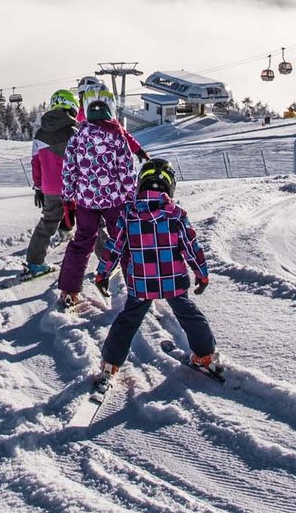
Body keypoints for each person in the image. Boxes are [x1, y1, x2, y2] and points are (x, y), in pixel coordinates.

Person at [91, 158, 221, 381]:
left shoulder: (128, 214)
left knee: (128, 321)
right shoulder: (176, 214)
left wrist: (103, 274)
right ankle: (205, 356)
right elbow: (191, 246)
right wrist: (201, 273)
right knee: (188, 314)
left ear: (141, 183)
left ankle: (110, 364)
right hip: (174, 280)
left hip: (142, 282)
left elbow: (115, 247)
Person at [57, 94, 144, 308]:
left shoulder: (77, 138)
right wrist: (131, 196)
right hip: (115, 200)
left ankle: (69, 291)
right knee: (123, 242)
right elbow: (126, 170)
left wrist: (68, 199)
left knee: (81, 243)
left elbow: (69, 171)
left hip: (86, 201)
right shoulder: (116, 136)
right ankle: (137, 289)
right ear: (108, 114)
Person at [21, 89, 80, 278]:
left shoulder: (40, 134)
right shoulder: (74, 132)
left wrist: (38, 187)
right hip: (72, 186)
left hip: (49, 189)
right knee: (90, 220)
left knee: (47, 223)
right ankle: (106, 259)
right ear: (71, 107)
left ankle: (35, 263)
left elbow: (36, 162)